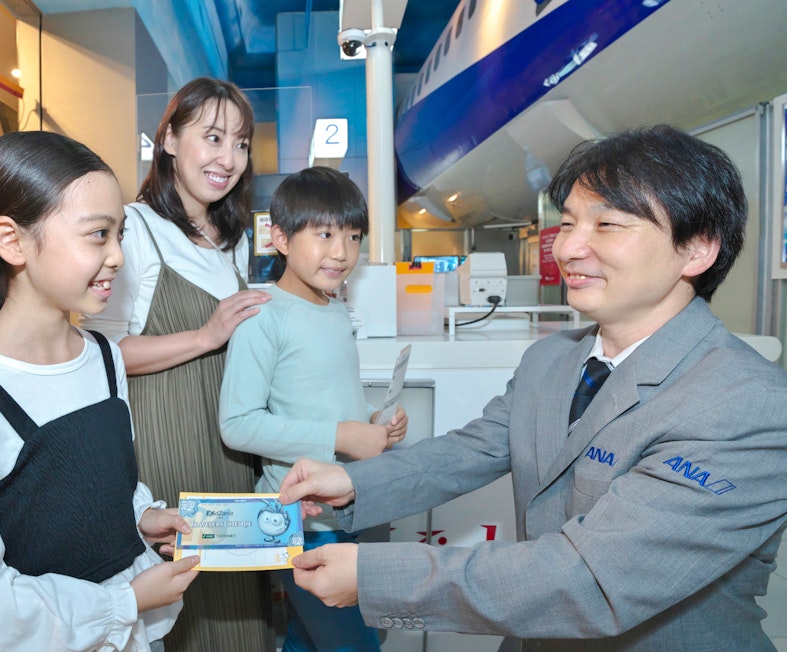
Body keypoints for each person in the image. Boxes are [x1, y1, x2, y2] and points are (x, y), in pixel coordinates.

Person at [279, 126, 787, 651]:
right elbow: (472, 450)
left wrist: (374, 577)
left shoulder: (746, 405)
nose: (568, 248)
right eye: (567, 223)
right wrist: (353, 481)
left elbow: (590, 580)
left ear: (696, 250)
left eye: (607, 225)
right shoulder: (552, 359)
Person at [0, 130, 200, 652]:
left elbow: (105, 482)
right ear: (12, 240)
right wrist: (123, 603)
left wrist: (141, 516)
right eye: (98, 234)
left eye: (120, 234)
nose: (117, 256)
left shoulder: (106, 358)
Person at [81, 77, 273, 650]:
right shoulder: (134, 229)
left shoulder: (232, 238)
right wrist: (205, 336)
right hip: (165, 450)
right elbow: (102, 355)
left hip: (231, 449)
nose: (228, 158)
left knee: (239, 611)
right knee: (182, 611)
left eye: (240, 143)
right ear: (168, 140)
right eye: (212, 137)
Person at [219, 166, 408, 652]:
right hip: (303, 522)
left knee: (309, 640)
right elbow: (237, 424)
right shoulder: (263, 316)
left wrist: (373, 419)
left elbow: (329, 394)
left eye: (353, 236)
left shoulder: (335, 309)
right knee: (353, 644)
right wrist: (342, 436)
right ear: (280, 238)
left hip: (353, 505)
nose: (341, 252)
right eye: (324, 234)